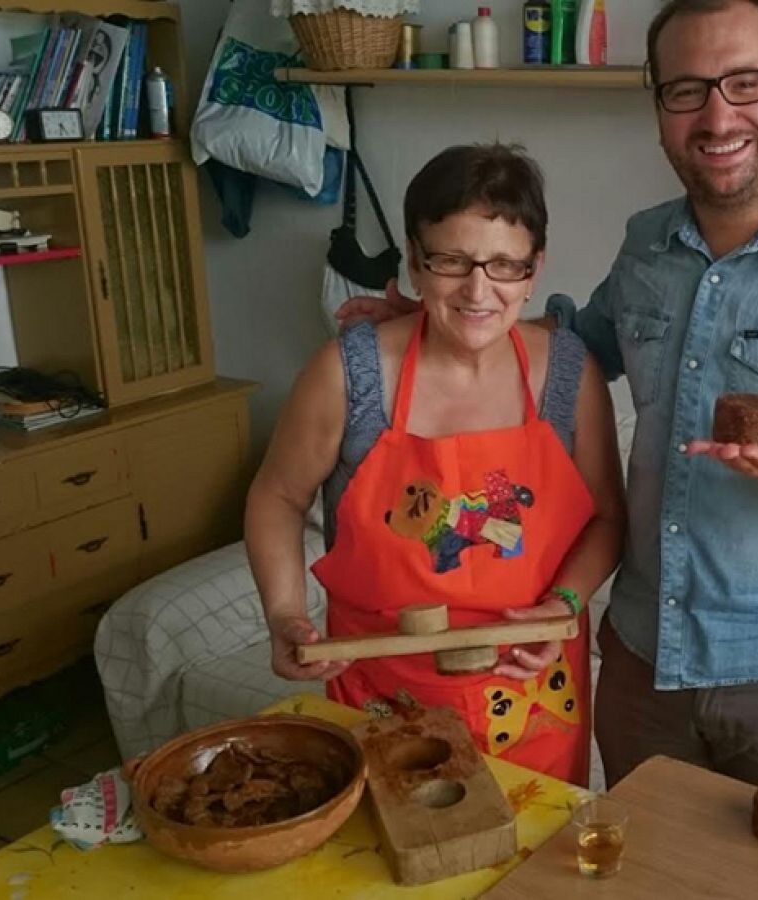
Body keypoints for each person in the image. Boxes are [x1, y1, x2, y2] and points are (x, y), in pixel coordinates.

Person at [339, 0, 758, 808]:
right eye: (686, 90)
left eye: (745, 83)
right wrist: (447, 312)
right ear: (659, 109)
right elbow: (576, 348)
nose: (717, 115)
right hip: (638, 656)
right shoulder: (648, 246)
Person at [247, 144, 625, 787]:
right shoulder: (350, 374)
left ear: (534, 272)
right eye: (451, 261)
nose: (479, 290)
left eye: (504, 265)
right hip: (381, 684)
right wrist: (285, 613)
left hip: (528, 690)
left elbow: (608, 518)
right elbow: (276, 498)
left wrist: (564, 602)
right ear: (416, 264)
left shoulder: (569, 374)